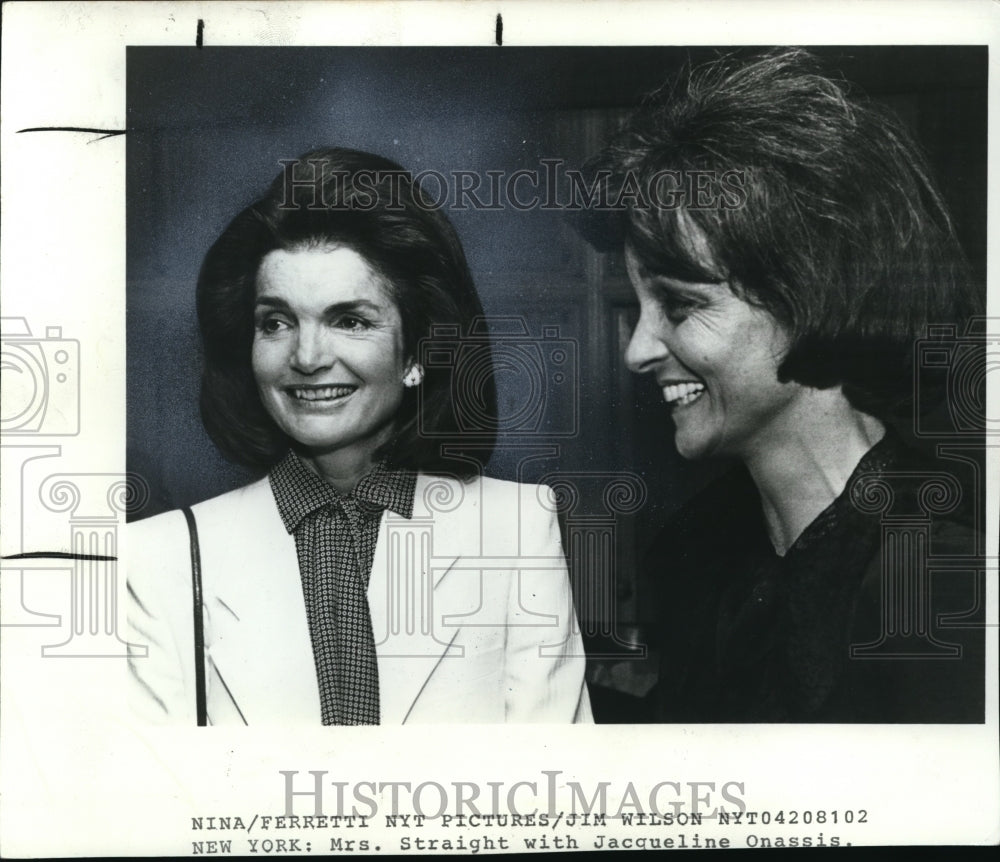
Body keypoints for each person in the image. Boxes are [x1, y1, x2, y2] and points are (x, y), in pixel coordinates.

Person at [574, 49, 985, 722]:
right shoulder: (695, 548)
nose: (637, 350)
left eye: (681, 306)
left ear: (810, 299)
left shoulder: (939, 582)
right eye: (640, 307)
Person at [127, 147, 592, 725]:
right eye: (276, 322)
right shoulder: (160, 555)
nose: (306, 356)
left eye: (350, 320)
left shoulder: (518, 529)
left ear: (417, 352)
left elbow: (549, 792)